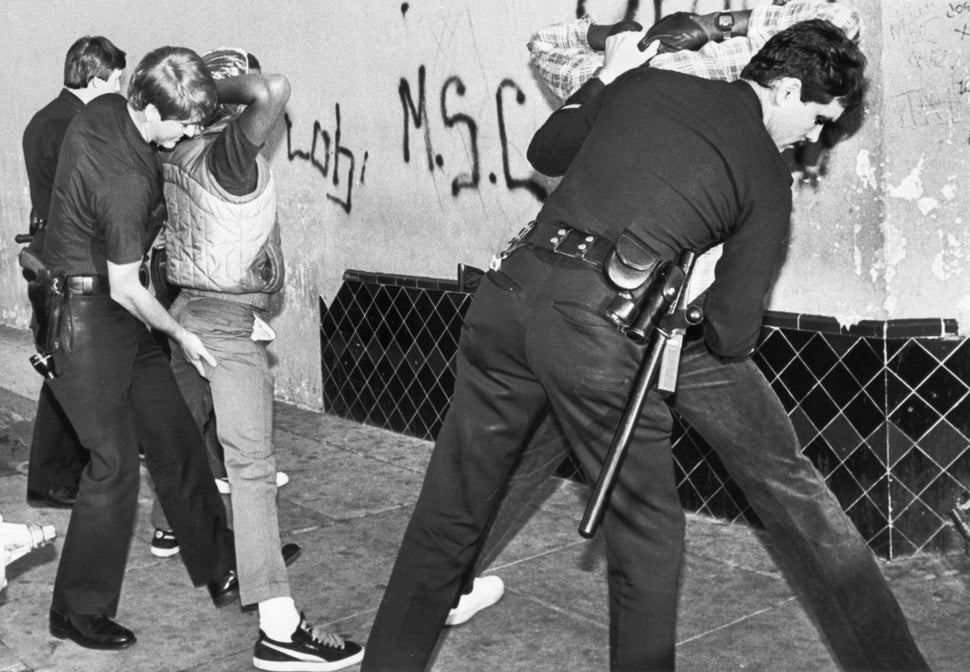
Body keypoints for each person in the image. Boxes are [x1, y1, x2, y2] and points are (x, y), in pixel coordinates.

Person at [361, 20, 928, 672]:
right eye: (818, 118)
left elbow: (548, 152)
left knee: (451, 513)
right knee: (662, 533)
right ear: (788, 87)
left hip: (513, 300)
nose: (815, 136)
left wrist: (608, 73)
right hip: (617, 338)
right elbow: (734, 333)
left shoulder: (644, 84)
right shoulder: (766, 175)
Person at [449, 0, 868, 626]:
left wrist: (723, 26)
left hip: (669, 323)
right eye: (817, 123)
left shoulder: (727, 60)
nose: (815, 141)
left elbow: (836, 18)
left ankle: (443, 585)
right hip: (608, 314)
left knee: (784, 477)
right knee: (535, 455)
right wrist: (632, 42)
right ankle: (449, 585)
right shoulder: (655, 62)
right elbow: (547, 44)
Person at [159, 47, 363, 671]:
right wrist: (214, 90)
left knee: (182, 438)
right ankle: (279, 626)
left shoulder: (172, 154)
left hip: (186, 314)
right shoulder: (226, 152)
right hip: (223, 325)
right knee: (250, 469)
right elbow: (273, 88)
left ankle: (174, 529)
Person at [39, 45, 240, 651]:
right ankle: (76, 611)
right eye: (181, 124)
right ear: (147, 108)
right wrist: (182, 333)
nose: (189, 134)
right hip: (87, 315)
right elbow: (128, 285)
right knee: (114, 461)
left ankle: (222, 563)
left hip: (113, 308)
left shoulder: (108, 104)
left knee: (174, 432)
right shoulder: (123, 177)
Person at [21, 36, 125, 509]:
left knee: (64, 365)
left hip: (50, 255)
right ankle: (53, 479)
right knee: (67, 369)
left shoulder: (45, 118)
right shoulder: (77, 126)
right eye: (117, 79)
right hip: (71, 262)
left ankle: (64, 472)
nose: (120, 89)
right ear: (97, 77)